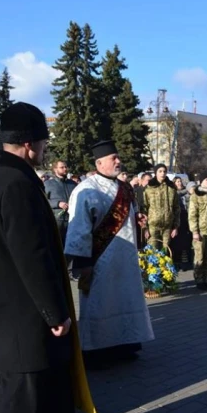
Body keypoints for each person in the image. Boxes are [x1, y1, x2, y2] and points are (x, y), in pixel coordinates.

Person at [0, 102, 95, 413]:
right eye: (43, 143)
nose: (45, 149)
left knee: (9, 402)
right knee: (25, 412)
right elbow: (32, 256)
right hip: (27, 321)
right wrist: (54, 312)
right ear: (29, 144)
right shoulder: (16, 184)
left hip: (8, 315)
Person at [64, 140, 154, 365]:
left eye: (118, 157)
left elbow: (127, 218)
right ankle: (97, 352)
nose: (118, 161)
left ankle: (126, 344)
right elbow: (79, 229)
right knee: (100, 303)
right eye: (113, 158)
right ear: (99, 162)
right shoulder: (86, 190)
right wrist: (83, 263)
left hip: (125, 258)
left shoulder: (125, 188)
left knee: (125, 299)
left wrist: (136, 219)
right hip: (100, 260)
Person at [143, 164, 180, 250]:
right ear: (156, 173)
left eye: (164, 171)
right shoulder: (149, 188)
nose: (163, 173)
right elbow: (144, 207)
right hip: (153, 226)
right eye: (160, 171)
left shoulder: (171, 187)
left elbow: (176, 208)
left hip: (167, 226)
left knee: (165, 251)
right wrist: (145, 228)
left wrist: (175, 227)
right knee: (152, 251)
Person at [44, 160, 77, 244]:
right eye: (62, 167)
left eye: (66, 167)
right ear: (55, 169)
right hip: (57, 221)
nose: (65, 169)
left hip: (72, 220)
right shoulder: (48, 184)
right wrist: (58, 203)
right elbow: (43, 200)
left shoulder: (73, 184)